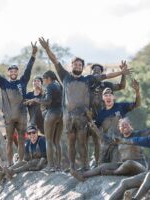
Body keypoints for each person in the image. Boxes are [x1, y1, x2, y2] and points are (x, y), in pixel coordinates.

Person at [39, 37, 131, 174]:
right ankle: (72, 167)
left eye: (80, 65)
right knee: (71, 143)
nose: (78, 66)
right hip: (68, 117)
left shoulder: (88, 79)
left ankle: (85, 167)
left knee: (82, 143)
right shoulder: (65, 76)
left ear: (82, 68)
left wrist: (121, 73)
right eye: (75, 65)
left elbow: (106, 76)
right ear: (71, 66)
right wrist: (47, 49)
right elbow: (55, 60)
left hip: (82, 117)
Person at [0, 42, 38, 166]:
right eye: (11, 70)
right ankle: (10, 164)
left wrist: (33, 55)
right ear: (8, 73)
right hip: (9, 117)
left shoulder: (23, 81)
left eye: (15, 70)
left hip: (22, 116)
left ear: (17, 72)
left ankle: (21, 162)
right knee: (9, 141)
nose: (13, 72)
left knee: (22, 140)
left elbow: (29, 69)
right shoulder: (3, 83)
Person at [72, 117, 150, 181]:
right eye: (122, 125)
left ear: (131, 126)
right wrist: (95, 128)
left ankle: (113, 173)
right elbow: (105, 139)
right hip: (123, 166)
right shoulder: (119, 139)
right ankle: (82, 175)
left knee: (129, 162)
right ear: (120, 129)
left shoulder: (138, 134)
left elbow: (149, 131)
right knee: (103, 166)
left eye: (126, 124)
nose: (124, 126)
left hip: (139, 166)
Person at [88, 62, 127, 167]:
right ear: (90, 72)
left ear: (102, 73)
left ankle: (100, 161)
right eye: (94, 70)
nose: (96, 71)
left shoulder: (106, 85)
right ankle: (87, 163)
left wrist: (123, 73)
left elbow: (121, 86)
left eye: (99, 70)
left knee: (103, 138)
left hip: (104, 116)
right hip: (88, 116)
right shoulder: (86, 84)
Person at [95, 80, 141, 164]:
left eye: (110, 95)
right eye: (105, 95)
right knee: (101, 166)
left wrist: (137, 91)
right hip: (106, 145)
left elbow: (137, 104)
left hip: (120, 143)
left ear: (114, 97)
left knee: (116, 166)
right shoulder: (100, 114)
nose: (108, 97)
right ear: (103, 98)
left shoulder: (121, 106)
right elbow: (96, 130)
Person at [26, 70, 63, 172]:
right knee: (57, 141)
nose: (43, 82)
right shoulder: (59, 85)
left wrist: (35, 100)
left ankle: (50, 166)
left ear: (48, 79)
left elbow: (47, 101)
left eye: (44, 79)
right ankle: (58, 166)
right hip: (61, 114)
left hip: (52, 113)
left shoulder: (50, 86)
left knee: (49, 140)